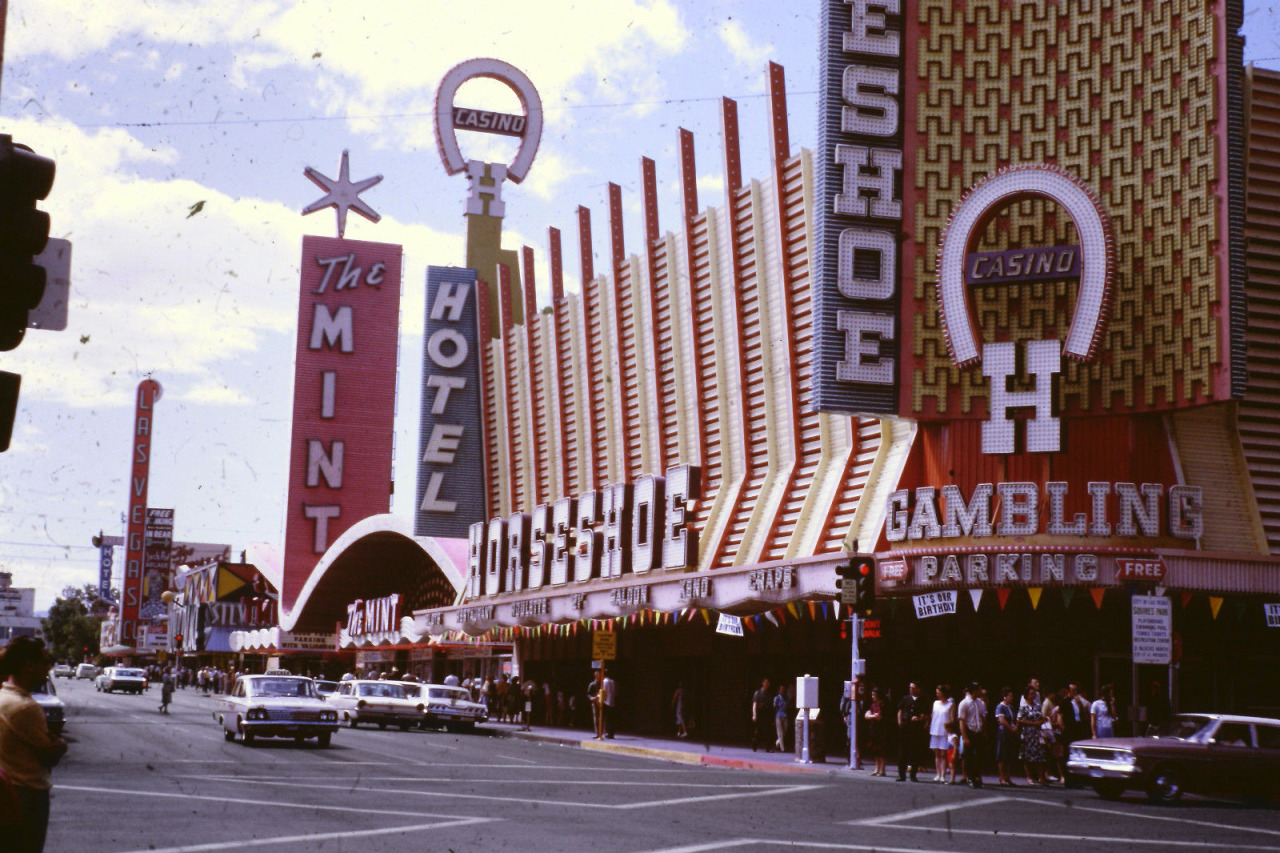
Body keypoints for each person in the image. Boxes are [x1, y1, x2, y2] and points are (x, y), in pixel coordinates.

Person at [0, 636, 68, 852]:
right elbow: (49, 753)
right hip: (27, 795)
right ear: (29, 665)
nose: (48, 668)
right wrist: (61, 744)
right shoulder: (26, 708)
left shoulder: (3, 696)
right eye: (44, 661)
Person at [956, 681, 986, 789]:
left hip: (978, 732)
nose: (980, 691)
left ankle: (977, 776)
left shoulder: (980, 703)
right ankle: (971, 778)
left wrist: (984, 731)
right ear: (974, 691)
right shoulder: (964, 703)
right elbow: (961, 721)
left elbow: (982, 717)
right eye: (978, 689)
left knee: (980, 756)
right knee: (968, 757)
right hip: (970, 731)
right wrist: (965, 737)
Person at [896, 681, 929, 781]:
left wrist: (921, 719)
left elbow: (927, 714)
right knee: (903, 751)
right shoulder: (905, 698)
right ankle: (901, 775)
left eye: (914, 688)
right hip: (906, 726)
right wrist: (900, 722)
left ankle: (913, 775)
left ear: (919, 689)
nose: (911, 690)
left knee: (915, 751)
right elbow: (900, 710)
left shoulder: (923, 700)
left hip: (917, 728)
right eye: (910, 688)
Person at [1017, 683, 1048, 785]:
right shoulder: (1024, 707)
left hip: (1037, 733)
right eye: (1031, 694)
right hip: (1027, 733)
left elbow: (1041, 717)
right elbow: (1019, 720)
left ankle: (1041, 776)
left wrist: (1042, 721)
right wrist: (1032, 723)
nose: (1033, 696)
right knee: (1027, 756)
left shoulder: (1037, 706)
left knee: (1039, 755)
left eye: (1034, 694)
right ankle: (1029, 776)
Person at [994, 686, 1018, 787]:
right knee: (1002, 756)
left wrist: (1015, 728)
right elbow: (1002, 720)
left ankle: (1008, 777)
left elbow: (1013, 720)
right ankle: (1002, 777)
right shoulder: (1000, 707)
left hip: (1010, 733)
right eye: (1010, 696)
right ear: (1005, 697)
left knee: (1009, 756)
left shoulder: (1011, 707)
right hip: (1003, 733)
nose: (1011, 698)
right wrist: (1011, 728)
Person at [928, 684, 953, 783]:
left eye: (938, 692)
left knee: (943, 754)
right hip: (935, 730)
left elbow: (951, 719)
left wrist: (949, 730)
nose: (937, 694)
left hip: (944, 732)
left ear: (943, 693)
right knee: (937, 753)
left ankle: (943, 775)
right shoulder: (935, 703)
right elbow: (932, 715)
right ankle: (938, 774)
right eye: (936, 692)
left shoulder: (950, 704)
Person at [863, 686, 887, 776]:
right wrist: (872, 716)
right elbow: (866, 715)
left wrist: (871, 716)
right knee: (875, 749)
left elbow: (879, 717)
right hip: (874, 728)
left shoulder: (883, 705)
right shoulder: (873, 705)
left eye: (874, 694)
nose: (872, 696)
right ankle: (877, 768)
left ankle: (882, 769)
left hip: (881, 729)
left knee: (881, 749)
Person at [751, 678, 773, 752]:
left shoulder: (769, 694)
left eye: (768, 683)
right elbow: (754, 704)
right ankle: (754, 745)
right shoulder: (758, 693)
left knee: (768, 731)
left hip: (767, 714)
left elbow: (771, 706)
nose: (767, 684)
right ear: (762, 683)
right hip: (760, 713)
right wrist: (754, 715)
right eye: (765, 683)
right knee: (757, 730)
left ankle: (767, 748)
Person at [773, 684, 789, 753]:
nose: (782, 690)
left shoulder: (786, 698)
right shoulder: (776, 698)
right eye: (781, 689)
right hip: (778, 715)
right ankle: (783, 748)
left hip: (784, 715)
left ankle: (777, 742)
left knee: (785, 730)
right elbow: (774, 708)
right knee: (780, 732)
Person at [601, 671, 617, 738]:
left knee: (606, 719)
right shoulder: (612, 681)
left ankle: (607, 732)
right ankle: (611, 733)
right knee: (611, 719)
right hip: (612, 702)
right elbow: (615, 692)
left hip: (606, 702)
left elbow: (604, 692)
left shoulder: (605, 681)